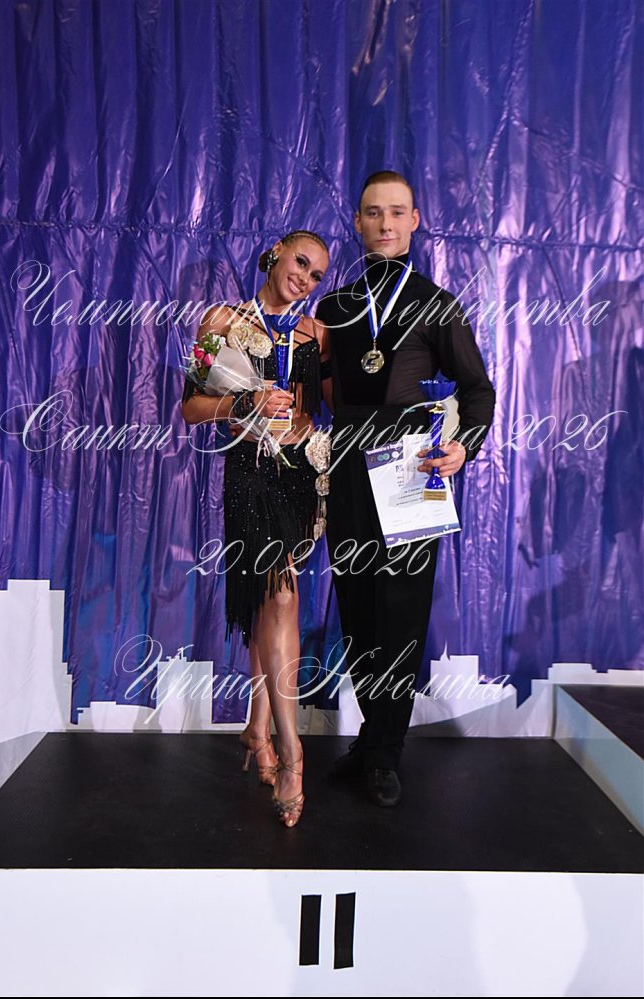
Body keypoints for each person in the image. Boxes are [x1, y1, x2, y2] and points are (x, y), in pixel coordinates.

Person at [315, 170, 495, 807]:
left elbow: (477, 390)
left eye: (396, 212)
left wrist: (463, 445)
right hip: (347, 466)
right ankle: (373, 736)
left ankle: (386, 751)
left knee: (401, 611)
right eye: (373, 212)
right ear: (357, 222)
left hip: (412, 469)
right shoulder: (334, 308)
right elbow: (321, 390)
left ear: (415, 221)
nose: (385, 223)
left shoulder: (437, 303)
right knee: (358, 608)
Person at [181, 230, 331, 828]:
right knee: (283, 597)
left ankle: (257, 728)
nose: (305, 279)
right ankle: (293, 755)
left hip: (302, 474)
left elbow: (330, 402)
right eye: (301, 263)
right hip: (250, 474)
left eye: (317, 275)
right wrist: (242, 406)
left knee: (271, 605)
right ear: (274, 254)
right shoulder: (221, 320)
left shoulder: (316, 333)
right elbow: (191, 407)